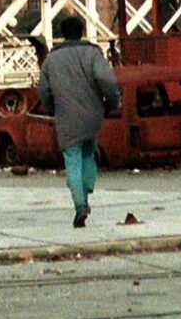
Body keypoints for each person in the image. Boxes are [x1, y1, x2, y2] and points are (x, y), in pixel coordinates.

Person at [35, 16, 120, 228]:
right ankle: (87, 189)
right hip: (92, 115)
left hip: (66, 116)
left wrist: (52, 107)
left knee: (72, 159)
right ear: (81, 32)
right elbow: (107, 80)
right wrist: (111, 102)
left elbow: (43, 91)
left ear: (62, 33)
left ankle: (80, 205)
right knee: (89, 153)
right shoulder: (92, 53)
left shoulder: (51, 60)